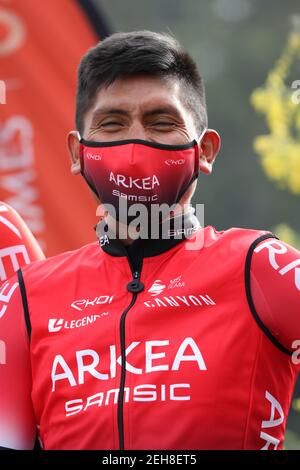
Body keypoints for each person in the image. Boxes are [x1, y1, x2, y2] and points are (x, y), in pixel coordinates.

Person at [0, 31, 299, 451]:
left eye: (161, 123)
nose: (135, 147)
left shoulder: (263, 267)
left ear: (206, 151)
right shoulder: (23, 298)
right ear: (76, 152)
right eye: (112, 123)